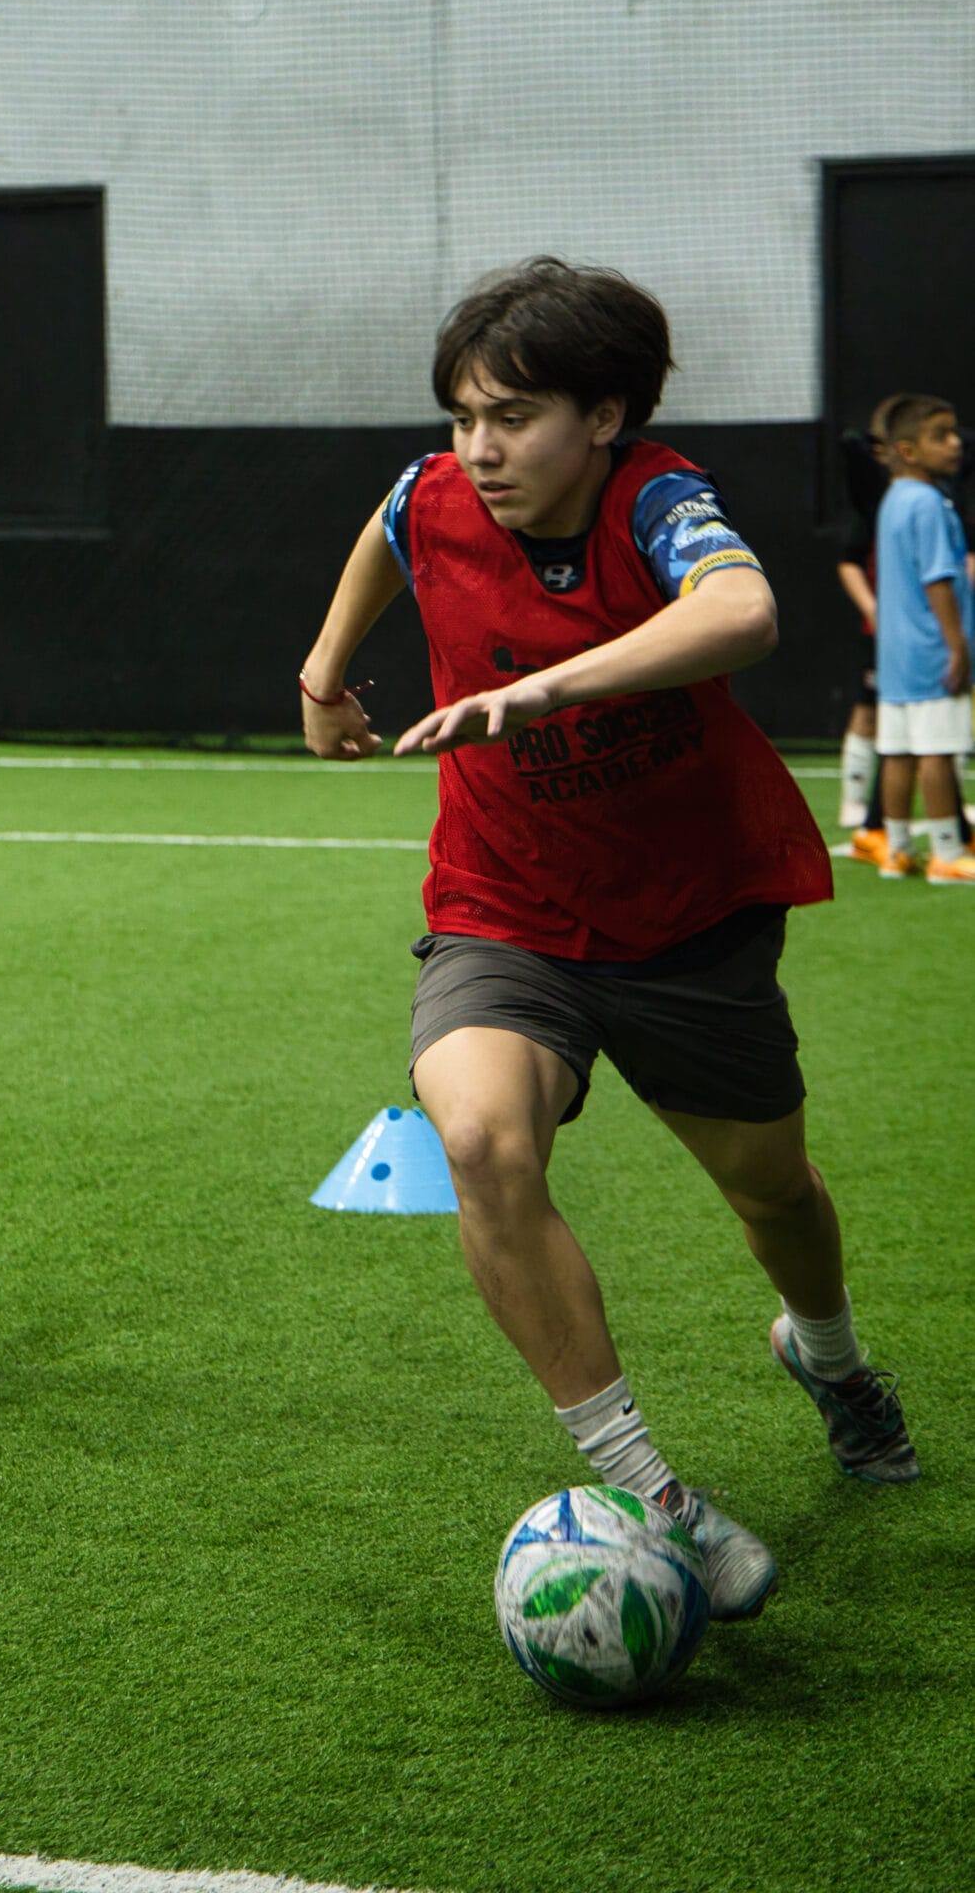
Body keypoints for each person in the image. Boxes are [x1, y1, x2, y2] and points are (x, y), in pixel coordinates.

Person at [299, 257, 917, 1623]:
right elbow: (389, 522)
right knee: (476, 1138)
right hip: (501, 908)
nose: (478, 448)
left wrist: (538, 692)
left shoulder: (654, 501)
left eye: (510, 417)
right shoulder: (436, 492)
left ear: (604, 415)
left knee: (772, 1194)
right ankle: (655, 1496)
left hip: (688, 920)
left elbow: (740, 612)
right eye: (462, 414)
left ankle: (826, 1358)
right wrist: (325, 669)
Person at [871, 392, 975, 885]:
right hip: (933, 649)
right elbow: (938, 579)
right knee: (938, 750)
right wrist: (957, 644)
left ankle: (896, 851)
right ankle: (949, 854)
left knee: (898, 751)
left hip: (895, 656)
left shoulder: (893, 499)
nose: (955, 443)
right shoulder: (930, 503)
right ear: (908, 450)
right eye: (941, 435)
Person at [832, 399, 902, 846]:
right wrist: (873, 609)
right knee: (869, 708)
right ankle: (854, 801)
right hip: (885, 629)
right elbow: (848, 563)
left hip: (924, 630)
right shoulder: (874, 506)